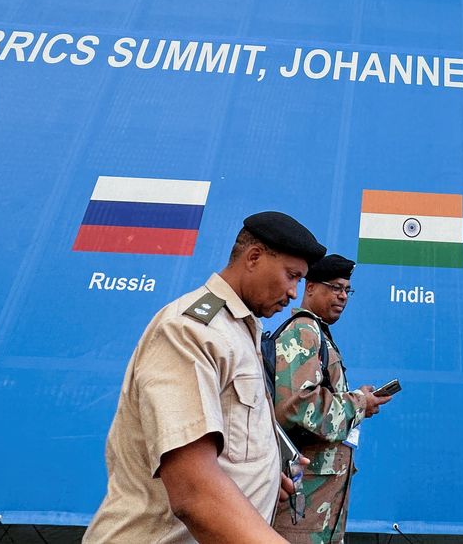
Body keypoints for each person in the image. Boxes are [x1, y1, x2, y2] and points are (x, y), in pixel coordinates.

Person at [85, 211, 326, 544]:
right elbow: (193, 492)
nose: (293, 293)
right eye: (291, 276)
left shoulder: (240, 330)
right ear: (254, 258)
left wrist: (265, 473)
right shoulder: (192, 330)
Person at [270, 254, 392, 544]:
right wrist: (360, 403)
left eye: (347, 290)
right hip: (300, 506)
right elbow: (296, 408)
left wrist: (358, 400)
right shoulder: (303, 330)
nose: (343, 296)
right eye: (335, 287)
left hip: (317, 506)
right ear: (310, 287)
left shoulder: (318, 334)